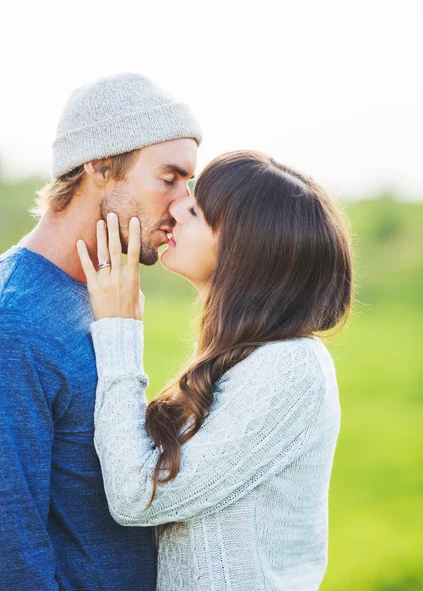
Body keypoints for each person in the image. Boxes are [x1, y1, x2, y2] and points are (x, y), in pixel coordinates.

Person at [77, 150, 354, 590]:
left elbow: (136, 497)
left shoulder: (290, 368)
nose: (176, 208)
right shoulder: (242, 356)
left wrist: (119, 330)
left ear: (249, 244)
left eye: (198, 209)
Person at [0, 72, 202, 590]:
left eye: (189, 184)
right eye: (169, 178)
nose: (183, 204)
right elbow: (11, 545)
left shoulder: (99, 293)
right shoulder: (15, 322)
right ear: (100, 166)